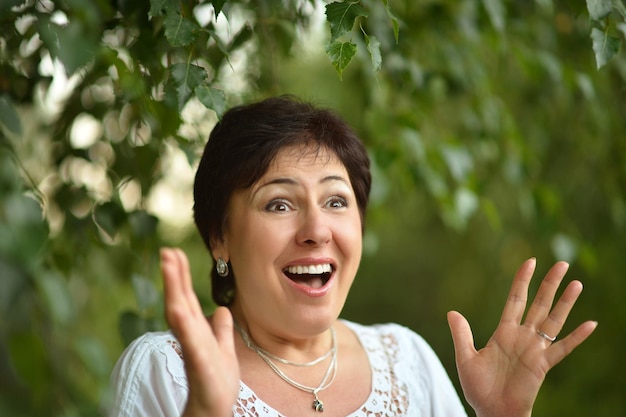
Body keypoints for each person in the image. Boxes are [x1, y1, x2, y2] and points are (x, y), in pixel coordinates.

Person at [108, 96, 597, 417]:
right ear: (219, 237)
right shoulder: (166, 370)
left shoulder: (407, 362)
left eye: (336, 201)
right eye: (279, 203)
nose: (317, 230)